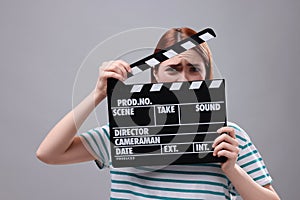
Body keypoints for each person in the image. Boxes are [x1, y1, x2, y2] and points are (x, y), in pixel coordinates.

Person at [36, 27, 280, 199]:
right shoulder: (125, 131)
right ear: (155, 75)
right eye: (173, 68)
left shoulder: (227, 136)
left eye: (193, 69)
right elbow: (49, 153)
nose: (184, 78)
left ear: (206, 76)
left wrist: (232, 170)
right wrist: (97, 94)